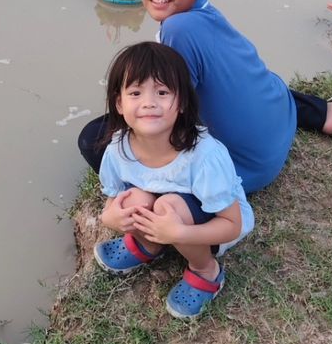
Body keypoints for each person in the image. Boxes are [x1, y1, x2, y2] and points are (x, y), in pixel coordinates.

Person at [79, 0, 332, 194]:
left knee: (93, 136)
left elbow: (173, 118)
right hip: (281, 120)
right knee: (246, 75)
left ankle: (146, 193)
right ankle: (328, 115)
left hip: (243, 169)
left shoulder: (178, 29)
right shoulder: (204, 12)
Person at [93, 42, 253, 318]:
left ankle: (206, 270)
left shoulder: (204, 155)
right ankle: (149, 244)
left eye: (163, 92)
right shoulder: (118, 149)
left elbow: (232, 225)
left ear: (181, 103)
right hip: (167, 211)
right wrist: (109, 218)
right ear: (119, 104)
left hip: (213, 220)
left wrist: (180, 234)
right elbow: (113, 198)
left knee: (168, 205)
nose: (149, 102)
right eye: (135, 92)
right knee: (135, 199)